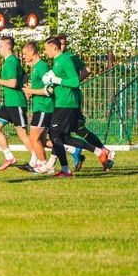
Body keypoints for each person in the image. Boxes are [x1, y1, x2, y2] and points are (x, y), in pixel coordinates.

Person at [42, 37, 114, 176]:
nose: (45, 52)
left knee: (55, 135)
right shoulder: (57, 62)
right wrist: (50, 83)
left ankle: (64, 168)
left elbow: (75, 81)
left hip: (66, 104)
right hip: (62, 102)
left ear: (54, 47)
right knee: (63, 137)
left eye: (46, 48)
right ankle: (98, 152)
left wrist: (55, 79)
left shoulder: (65, 60)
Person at [0, 36, 33, 171]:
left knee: (22, 134)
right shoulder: (11, 61)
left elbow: (13, 83)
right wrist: (26, 86)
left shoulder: (11, 61)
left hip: (16, 102)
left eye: (0, 46)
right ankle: (9, 157)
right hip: (9, 103)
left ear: (8, 47)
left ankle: (37, 160)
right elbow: (25, 76)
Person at [21, 41, 55, 174]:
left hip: (44, 107)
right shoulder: (35, 67)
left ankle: (45, 165)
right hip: (38, 106)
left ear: (31, 52)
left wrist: (31, 91)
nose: (23, 57)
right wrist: (29, 92)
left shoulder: (42, 67)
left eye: (24, 54)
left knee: (33, 138)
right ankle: (71, 147)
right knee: (41, 140)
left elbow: (49, 90)